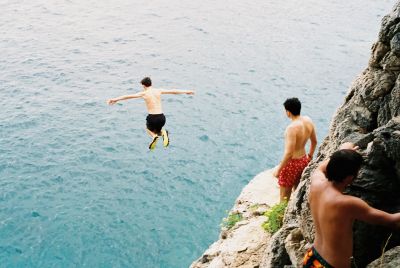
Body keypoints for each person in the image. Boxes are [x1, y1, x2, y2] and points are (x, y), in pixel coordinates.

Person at [303, 142, 400, 268]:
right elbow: (391, 220)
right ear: (350, 177)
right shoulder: (347, 203)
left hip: (312, 257)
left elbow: (322, 167)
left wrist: (343, 152)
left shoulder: (316, 181)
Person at [107, 77, 195, 150]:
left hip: (152, 117)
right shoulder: (159, 90)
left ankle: (154, 137)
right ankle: (163, 133)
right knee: (158, 130)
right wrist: (187, 91)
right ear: (151, 84)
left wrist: (115, 99)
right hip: (162, 117)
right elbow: (173, 91)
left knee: (148, 129)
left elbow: (128, 96)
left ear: (144, 85)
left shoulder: (144, 93)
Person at [273, 98, 317, 201]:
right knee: (297, 196)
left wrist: (278, 170)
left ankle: (281, 216)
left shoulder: (292, 128)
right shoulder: (308, 120)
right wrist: (309, 156)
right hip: (303, 161)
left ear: (288, 112)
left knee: (284, 199)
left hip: (291, 165)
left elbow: (289, 153)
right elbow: (314, 141)